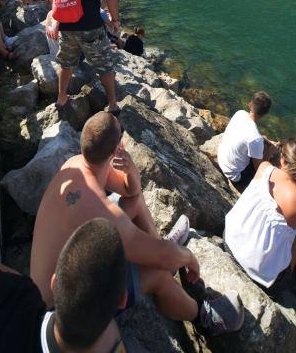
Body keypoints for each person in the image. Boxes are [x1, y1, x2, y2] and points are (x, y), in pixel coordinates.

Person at [31, 112, 244, 337]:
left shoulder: (77, 165)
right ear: (115, 150)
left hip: (73, 266)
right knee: (158, 276)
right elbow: (112, 218)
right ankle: (203, 317)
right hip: (63, 309)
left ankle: (160, 249)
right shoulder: (102, 210)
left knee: (136, 202)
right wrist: (188, 257)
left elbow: (130, 191)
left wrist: (131, 170)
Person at [0, 218, 135, 353]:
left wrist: (16, 286)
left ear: (54, 283)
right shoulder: (113, 340)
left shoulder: (4, 303)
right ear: (122, 300)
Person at [224, 136, 296, 288]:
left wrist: (267, 152)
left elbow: (266, 167)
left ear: (282, 159)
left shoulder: (265, 169)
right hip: (260, 275)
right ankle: (289, 270)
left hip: (229, 240)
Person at [50, 0, 121, 115]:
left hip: (66, 27)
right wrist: (115, 20)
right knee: (105, 65)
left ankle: (61, 98)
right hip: (91, 27)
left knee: (66, 64)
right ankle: (112, 104)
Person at [218, 91, 273, 191]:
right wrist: (271, 151)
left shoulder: (240, 113)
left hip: (221, 159)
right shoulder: (255, 138)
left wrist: (262, 139)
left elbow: (245, 135)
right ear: (266, 114)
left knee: (259, 145)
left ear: (250, 104)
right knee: (269, 168)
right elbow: (259, 170)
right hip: (235, 175)